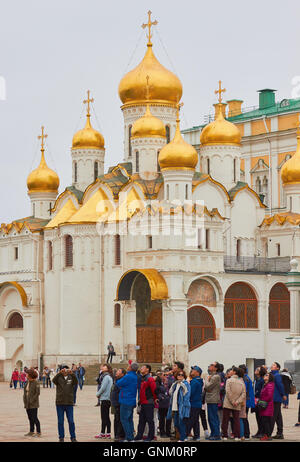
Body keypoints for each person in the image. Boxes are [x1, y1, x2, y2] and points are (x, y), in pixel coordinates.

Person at [52, 365, 78, 442]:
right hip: (60, 403)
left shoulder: (71, 377)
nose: (65, 371)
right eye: (64, 370)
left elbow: (76, 382)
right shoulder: (59, 377)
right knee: (60, 421)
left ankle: (73, 437)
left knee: (71, 421)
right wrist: (59, 373)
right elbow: (53, 381)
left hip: (69, 403)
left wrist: (72, 373)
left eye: (66, 369)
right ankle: (61, 437)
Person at [221, 367, 246, 441]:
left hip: (228, 403)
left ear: (235, 372)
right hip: (237, 404)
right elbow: (243, 394)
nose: (230, 371)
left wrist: (232, 401)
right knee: (236, 420)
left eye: (231, 370)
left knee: (225, 420)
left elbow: (228, 392)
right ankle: (237, 436)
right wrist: (237, 401)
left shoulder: (229, 380)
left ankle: (224, 435)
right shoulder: (242, 382)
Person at [116, 362, 138, 442]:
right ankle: (130, 437)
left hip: (125, 400)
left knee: (124, 419)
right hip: (131, 400)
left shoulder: (128, 376)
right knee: (129, 419)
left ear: (130, 368)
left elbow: (118, 383)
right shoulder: (135, 376)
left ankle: (129, 438)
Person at [134, 364, 157, 442]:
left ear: (147, 369)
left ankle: (150, 436)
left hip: (148, 402)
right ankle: (139, 435)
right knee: (141, 421)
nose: (141, 368)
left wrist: (155, 399)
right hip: (142, 402)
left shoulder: (150, 379)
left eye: (143, 367)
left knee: (150, 420)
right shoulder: (142, 378)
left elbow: (154, 390)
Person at [167, 370, 191, 442]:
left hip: (182, 407)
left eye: (182, 375)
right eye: (179, 375)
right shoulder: (175, 384)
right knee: (176, 423)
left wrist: (185, 406)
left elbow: (187, 395)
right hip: (174, 407)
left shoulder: (186, 384)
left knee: (182, 423)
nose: (180, 376)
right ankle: (182, 436)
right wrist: (173, 386)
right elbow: (171, 393)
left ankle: (182, 438)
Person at [95, 364, 113, 439]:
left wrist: (98, 394)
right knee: (106, 417)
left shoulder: (106, 377)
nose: (102, 367)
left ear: (108, 368)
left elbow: (103, 387)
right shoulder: (107, 376)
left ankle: (103, 433)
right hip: (108, 398)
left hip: (105, 398)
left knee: (104, 417)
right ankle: (107, 433)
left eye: (104, 366)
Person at [204, 362, 221, 440]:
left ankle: (216, 434)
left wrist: (206, 379)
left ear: (216, 368)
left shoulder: (215, 377)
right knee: (211, 418)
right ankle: (213, 433)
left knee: (213, 418)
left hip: (213, 399)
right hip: (210, 399)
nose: (210, 366)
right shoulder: (212, 376)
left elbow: (207, 386)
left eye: (212, 365)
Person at [270, 362, 286, 439]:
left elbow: (280, 385)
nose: (272, 366)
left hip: (276, 398)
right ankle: (280, 433)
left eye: (274, 365)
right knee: (278, 417)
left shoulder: (277, 375)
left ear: (277, 368)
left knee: (273, 416)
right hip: (274, 398)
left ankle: (269, 433)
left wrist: (283, 394)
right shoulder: (272, 375)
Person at [239, 364, 255, 440]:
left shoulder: (245, 379)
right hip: (247, 401)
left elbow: (243, 390)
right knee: (244, 418)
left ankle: (246, 434)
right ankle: (246, 434)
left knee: (244, 418)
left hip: (246, 401)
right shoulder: (246, 377)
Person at [23, 368, 41, 437]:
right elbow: (25, 392)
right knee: (30, 417)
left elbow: (37, 393)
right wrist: (25, 400)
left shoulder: (36, 382)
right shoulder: (28, 382)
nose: (26, 375)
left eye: (27, 374)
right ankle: (31, 431)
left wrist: (32, 400)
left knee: (34, 418)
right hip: (27, 403)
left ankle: (38, 432)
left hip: (33, 404)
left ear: (30, 375)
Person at [187, 366, 203, 441]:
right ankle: (197, 436)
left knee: (191, 420)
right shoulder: (199, 380)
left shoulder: (194, 381)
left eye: (193, 370)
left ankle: (185, 434)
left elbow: (191, 393)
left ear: (197, 372)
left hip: (193, 403)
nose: (191, 371)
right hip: (197, 403)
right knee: (195, 420)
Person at [259, 372, 275, 441]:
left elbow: (269, 396)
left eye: (267, 375)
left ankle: (268, 436)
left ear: (270, 378)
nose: (265, 376)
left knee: (266, 421)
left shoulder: (270, 385)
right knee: (264, 421)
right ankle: (266, 435)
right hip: (265, 405)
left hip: (267, 406)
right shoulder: (266, 384)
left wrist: (261, 401)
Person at [111, 368, 126, 441]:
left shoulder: (122, 381)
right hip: (115, 403)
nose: (117, 372)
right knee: (116, 419)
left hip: (119, 403)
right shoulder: (116, 380)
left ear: (123, 374)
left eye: (119, 371)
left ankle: (120, 435)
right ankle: (117, 434)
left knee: (119, 419)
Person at [252, 366, 267, 438]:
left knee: (260, 417)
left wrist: (256, 395)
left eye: (257, 370)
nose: (256, 370)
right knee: (257, 417)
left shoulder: (262, 380)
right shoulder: (256, 379)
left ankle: (262, 432)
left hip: (260, 400)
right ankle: (259, 431)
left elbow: (261, 390)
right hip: (255, 400)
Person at [156, 373, 171, 438]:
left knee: (168, 419)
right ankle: (162, 432)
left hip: (168, 404)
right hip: (162, 404)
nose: (165, 377)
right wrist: (161, 397)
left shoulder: (170, 385)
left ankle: (168, 432)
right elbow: (158, 393)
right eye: (163, 376)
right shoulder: (159, 385)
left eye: (166, 376)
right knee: (162, 419)